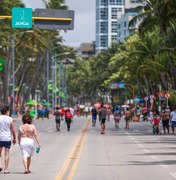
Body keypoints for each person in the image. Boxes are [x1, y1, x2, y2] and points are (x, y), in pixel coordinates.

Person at [0, 105, 16, 174]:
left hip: (0, 137)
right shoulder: (10, 119)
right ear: (6, 111)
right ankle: (6, 169)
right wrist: (14, 138)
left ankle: (0, 165)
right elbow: (12, 130)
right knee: (7, 154)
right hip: (7, 138)